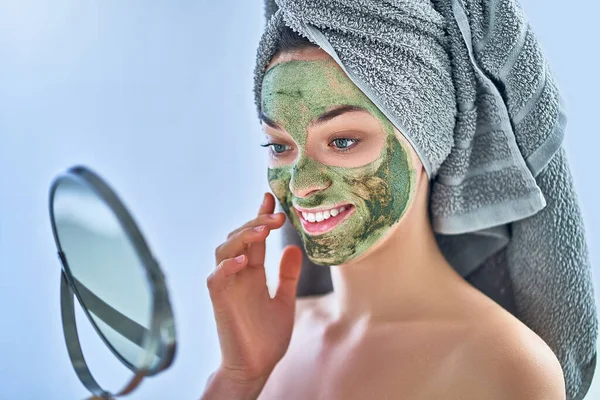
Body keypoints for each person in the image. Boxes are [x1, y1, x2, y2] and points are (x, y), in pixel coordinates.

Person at [201, 26, 567, 399]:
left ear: (429, 140)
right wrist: (239, 378)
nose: (299, 185)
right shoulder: (272, 341)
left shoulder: (502, 365)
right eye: (279, 146)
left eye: (342, 141)